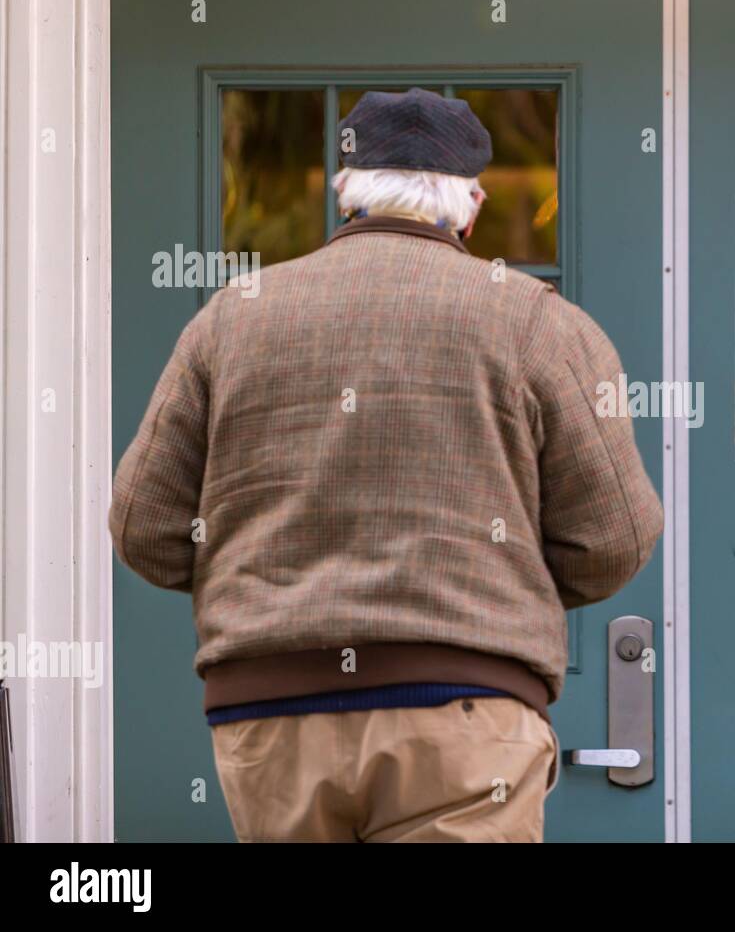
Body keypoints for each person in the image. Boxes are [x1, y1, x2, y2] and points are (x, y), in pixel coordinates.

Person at [109, 88, 663, 842]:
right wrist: (494, 582)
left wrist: (259, 572)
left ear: (345, 193)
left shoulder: (231, 317)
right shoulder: (539, 322)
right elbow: (615, 536)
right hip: (463, 715)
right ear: (470, 204)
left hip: (270, 717)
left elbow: (144, 526)